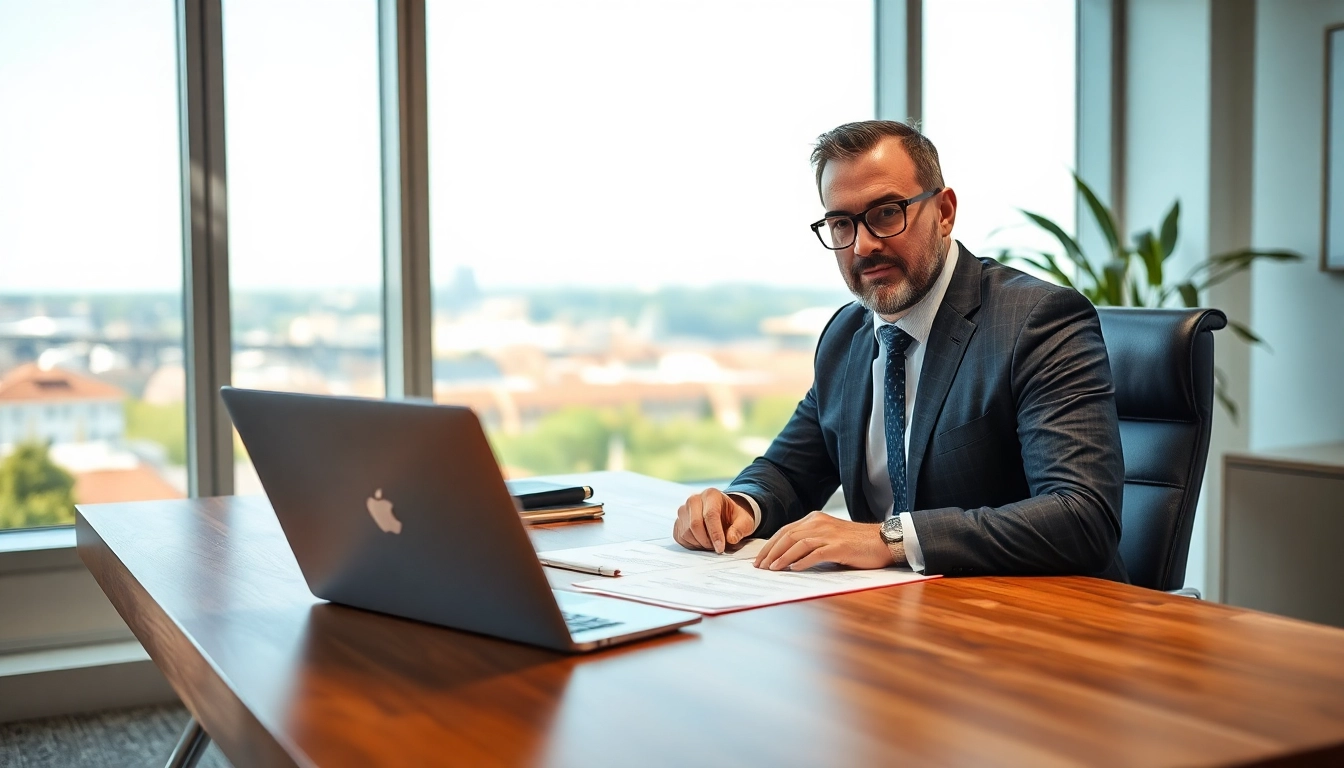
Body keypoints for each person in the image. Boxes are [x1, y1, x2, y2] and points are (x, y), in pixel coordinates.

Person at [672, 120, 1127, 581]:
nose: (863, 245)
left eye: (887, 213)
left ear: (944, 212)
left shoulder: (1036, 321)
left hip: (1033, 609)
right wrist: (738, 505)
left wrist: (887, 539)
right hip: (891, 607)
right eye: (841, 223)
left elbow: (1082, 517)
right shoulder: (845, 335)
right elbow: (790, 472)